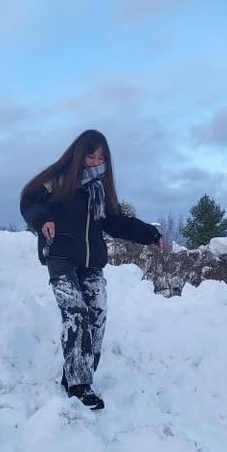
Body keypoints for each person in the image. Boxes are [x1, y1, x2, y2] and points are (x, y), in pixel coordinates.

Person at [20, 130, 162, 410]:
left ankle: (76, 372)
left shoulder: (100, 191)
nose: (96, 162)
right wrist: (43, 219)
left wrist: (150, 234)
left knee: (96, 316)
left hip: (91, 261)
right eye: (91, 155)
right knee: (76, 313)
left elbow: (118, 223)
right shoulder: (58, 180)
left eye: (101, 157)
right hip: (60, 255)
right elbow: (30, 201)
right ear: (79, 154)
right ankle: (79, 385)